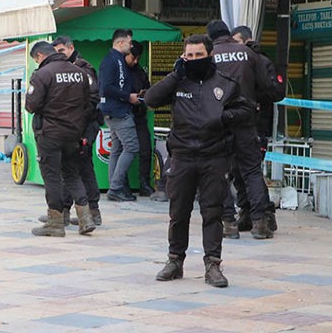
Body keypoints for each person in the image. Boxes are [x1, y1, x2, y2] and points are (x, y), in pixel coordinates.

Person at [145, 34, 252, 288]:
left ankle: (213, 265)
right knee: (178, 212)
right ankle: (175, 261)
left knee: (212, 212)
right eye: (189, 55)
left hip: (213, 156)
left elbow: (246, 109)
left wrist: (224, 118)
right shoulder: (178, 81)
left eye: (198, 55)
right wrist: (175, 75)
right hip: (182, 156)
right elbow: (150, 99)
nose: (193, 60)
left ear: (209, 55)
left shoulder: (225, 82)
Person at [206, 20, 275, 240]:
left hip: (218, 121)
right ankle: (259, 223)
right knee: (252, 171)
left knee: (219, 172)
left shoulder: (209, 55)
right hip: (246, 120)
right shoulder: (248, 53)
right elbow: (266, 86)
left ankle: (228, 222)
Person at [25, 41, 96, 237]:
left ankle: (55, 222)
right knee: (73, 174)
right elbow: (86, 103)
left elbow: (31, 105)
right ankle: (86, 217)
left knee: (52, 177)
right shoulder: (79, 72)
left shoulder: (42, 74)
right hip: (74, 133)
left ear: (39, 56)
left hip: (50, 134)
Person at [228, 25, 284, 236]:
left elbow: (277, 91)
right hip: (236, 123)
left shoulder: (261, 61)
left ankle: (264, 215)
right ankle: (246, 210)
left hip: (257, 124)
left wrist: (253, 99)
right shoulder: (237, 64)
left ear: (248, 41)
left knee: (251, 171)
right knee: (236, 171)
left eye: (237, 43)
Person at [99, 29, 140, 202]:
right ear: (120, 43)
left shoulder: (117, 60)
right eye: (129, 43)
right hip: (118, 111)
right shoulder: (111, 61)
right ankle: (115, 187)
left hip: (115, 110)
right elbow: (106, 87)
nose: (131, 46)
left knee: (116, 149)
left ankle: (114, 186)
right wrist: (127, 97)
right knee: (131, 147)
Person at [126, 40, 155, 197]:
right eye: (133, 57)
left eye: (138, 58)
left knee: (145, 149)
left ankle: (144, 183)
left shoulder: (139, 71)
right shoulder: (118, 68)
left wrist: (144, 94)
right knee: (124, 151)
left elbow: (148, 88)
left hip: (139, 114)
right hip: (124, 114)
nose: (135, 61)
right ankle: (122, 184)